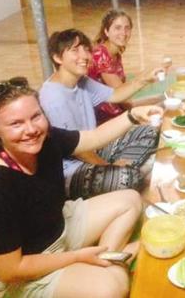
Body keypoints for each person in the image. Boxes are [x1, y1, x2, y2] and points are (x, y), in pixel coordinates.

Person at [0, 77, 160, 297]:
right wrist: (77, 257)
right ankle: (111, 261)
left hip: (58, 228)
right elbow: (10, 271)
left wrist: (133, 116)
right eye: (15, 123)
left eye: (36, 116)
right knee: (112, 288)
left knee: (130, 200)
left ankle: (107, 259)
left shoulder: (45, 139)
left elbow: (94, 137)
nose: (30, 129)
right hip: (24, 269)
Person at [39, 29, 165, 199]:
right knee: (129, 178)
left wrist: (145, 78)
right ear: (57, 57)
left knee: (150, 129)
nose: (84, 56)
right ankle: (124, 173)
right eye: (75, 50)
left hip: (94, 149)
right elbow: (78, 151)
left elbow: (115, 95)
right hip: (72, 170)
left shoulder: (81, 80)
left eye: (86, 49)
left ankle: (121, 172)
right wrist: (109, 166)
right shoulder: (52, 98)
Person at [88, 9, 165, 124]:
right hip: (106, 120)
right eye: (117, 28)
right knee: (162, 110)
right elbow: (122, 97)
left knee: (164, 100)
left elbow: (124, 100)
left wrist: (160, 97)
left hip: (117, 108)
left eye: (127, 28)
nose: (123, 33)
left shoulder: (115, 53)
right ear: (106, 31)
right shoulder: (101, 55)